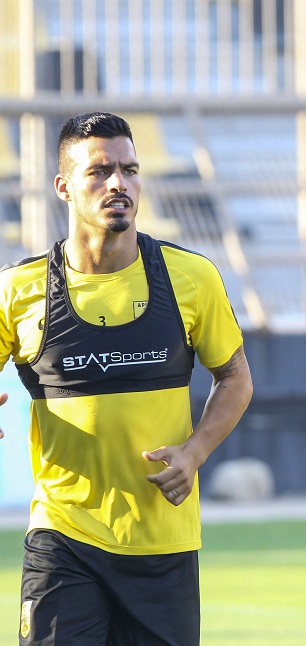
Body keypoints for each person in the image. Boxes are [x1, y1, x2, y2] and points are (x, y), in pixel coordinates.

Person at [0, 112, 252, 645]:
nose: (119, 183)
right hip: (63, 536)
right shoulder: (18, 290)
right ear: (64, 187)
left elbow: (235, 378)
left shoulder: (192, 277)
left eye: (130, 169)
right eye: (99, 171)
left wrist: (195, 452)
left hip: (163, 543)